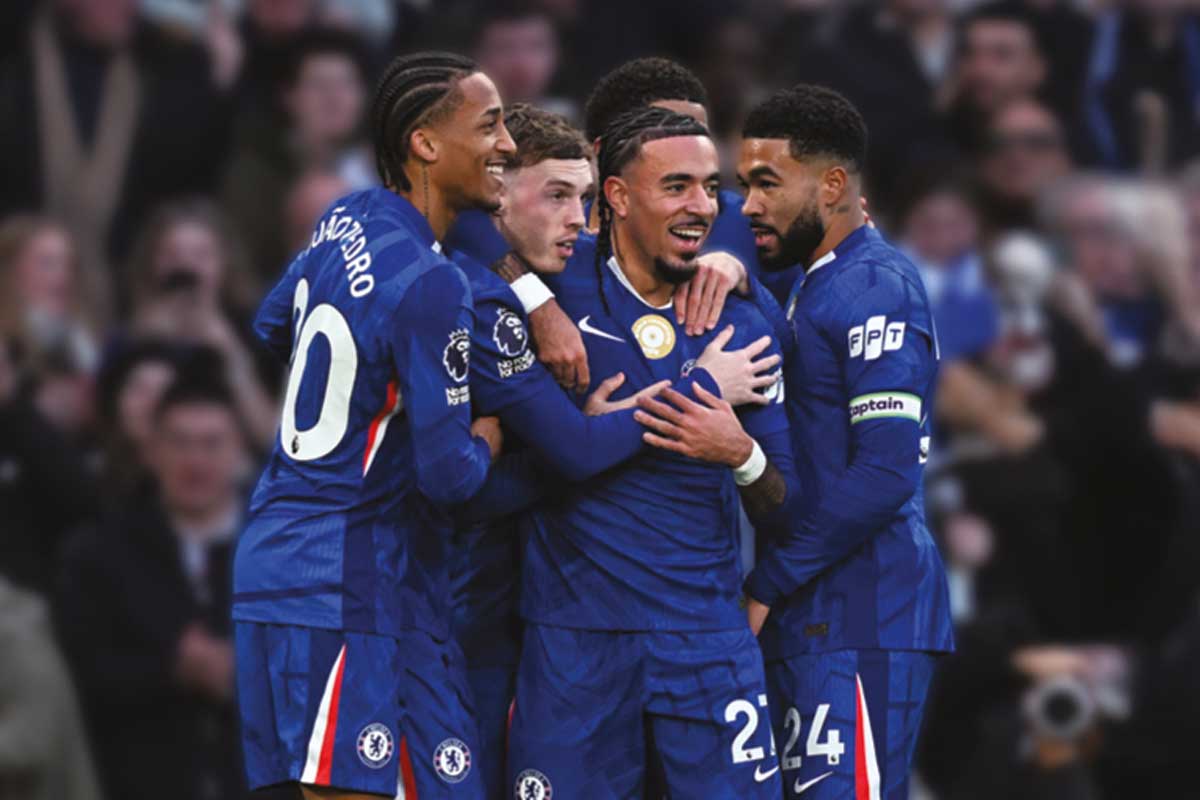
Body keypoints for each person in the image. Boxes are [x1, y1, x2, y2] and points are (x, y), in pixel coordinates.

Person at [446, 102, 780, 799]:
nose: (702, 206)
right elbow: (465, 223)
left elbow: (787, 501)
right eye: (676, 185)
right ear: (620, 196)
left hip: (704, 641)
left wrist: (742, 454)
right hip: (572, 646)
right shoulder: (549, 283)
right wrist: (535, 298)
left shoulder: (735, 320)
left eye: (709, 187)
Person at [640, 85, 954, 799]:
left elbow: (886, 473)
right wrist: (733, 266)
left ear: (833, 185)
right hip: (813, 615)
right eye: (744, 184)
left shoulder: (877, 286)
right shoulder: (810, 282)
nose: (746, 205)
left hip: (866, 608)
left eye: (766, 184)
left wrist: (766, 586)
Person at [232, 52, 513, 800]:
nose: (508, 144)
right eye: (490, 125)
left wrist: (370, 387)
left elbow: (272, 323)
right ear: (426, 142)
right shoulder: (433, 284)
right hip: (342, 576)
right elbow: (450, 476)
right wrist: (490, 433)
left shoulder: (345, 215)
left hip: (282, 560)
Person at [57, 376, 251, 800]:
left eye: (211, 443)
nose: (196, 461)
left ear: (238, 450)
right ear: (152, 451)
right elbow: (81, 673)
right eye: (180, 443)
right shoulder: (100, 554)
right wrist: (173, 671)